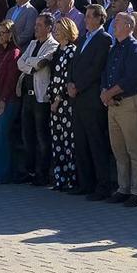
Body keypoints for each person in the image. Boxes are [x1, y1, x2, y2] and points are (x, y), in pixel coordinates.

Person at [100, 10, 137, 206]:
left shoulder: (135, 47)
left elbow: (131, 78)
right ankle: (123, 188)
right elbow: (106, 72)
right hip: (113, 104)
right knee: (119, 150)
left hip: (130, 103)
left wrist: (109, 93)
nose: (114, 25)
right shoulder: (115, 48)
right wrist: (105, 93)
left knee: (134, 149)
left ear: (129, 26)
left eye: (118, 22)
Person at [68, 3, 114, 199]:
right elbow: (74, 63)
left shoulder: (104, 39)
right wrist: (70, 82)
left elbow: (96, 68)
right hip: (77, 98)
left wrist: (78, 85)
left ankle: (103, 186)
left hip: (91, 98)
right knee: (81, 143)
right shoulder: (84, 38)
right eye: (85, 16)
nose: (85, 19)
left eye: (88, 16)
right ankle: (85, 183)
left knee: (96, 143)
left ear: (98, 18)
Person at [16, 13, 60, 187]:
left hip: (41, 97)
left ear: (49, 28)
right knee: (27, 135)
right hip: (27, 95)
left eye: (40, 25)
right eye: (35, 24)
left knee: (42, 136)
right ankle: (29, 170)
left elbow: (43, 63)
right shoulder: (33, 43)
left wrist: (30, 63)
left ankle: (42, 173)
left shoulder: (53, 45)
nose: (36, 28)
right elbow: (20, 62)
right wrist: (31, 65)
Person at [45, 17, 82, 191]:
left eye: (59, 29)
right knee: (57, 141)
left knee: (68, 142)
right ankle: (60, 180)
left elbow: (67, 77)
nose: (56, 32)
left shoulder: (71, 51)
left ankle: (71, 180)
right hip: (53, 102)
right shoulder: (57, 51)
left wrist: (58, 99)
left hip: (65, 103)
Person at [0, 20, 23, 183]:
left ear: (10, 34)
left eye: (3, 32)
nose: (0, 36)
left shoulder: (14, 53)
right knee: (4, 136)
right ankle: (6, 172)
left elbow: (11, 80)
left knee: (2, 135)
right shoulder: (0, 52)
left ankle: (2, 174)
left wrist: (3, 99)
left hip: (10, 100)